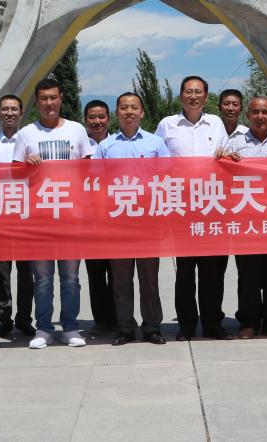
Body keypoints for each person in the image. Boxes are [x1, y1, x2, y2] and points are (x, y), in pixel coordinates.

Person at [13, 79, 95, 349]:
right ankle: (44, 328)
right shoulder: (26, 133)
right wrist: (26, 166)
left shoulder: (76, 129)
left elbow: (88, 170)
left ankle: (70, 327)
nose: (49, 103)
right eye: (44, 98)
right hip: (40, 219)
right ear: (37, 102)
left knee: (70, 278)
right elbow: (14, 174)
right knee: (43, 279)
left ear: (61, 99)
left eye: (53, 98)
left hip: (71, 217)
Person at [156, 75, 231, 341]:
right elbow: (157, 163)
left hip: (212, 206)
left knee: (213, 271)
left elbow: (227, 157)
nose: (193, 96)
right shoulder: (167, 125)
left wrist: (225, 157)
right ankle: (187, 325)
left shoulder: (216, 123)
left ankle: (213, 324)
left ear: (206, 96)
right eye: (188, 92)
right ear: (181, 96)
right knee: (185, 272)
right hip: (182, 208)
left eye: (198, 92)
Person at [94, 92, 170, 346]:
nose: (129, 112)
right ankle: (125, 327)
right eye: (124, 107)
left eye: (134, 107)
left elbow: (168, 178)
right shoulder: (105, 146)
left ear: (142, 112)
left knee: (149, 280)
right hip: (117, 223)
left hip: (148, 222)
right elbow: (95, 183)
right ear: (117, 113)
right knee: (121, 281)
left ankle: (152, 327)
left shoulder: (156, 143)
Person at [218, 96, 267, 338]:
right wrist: (222, 158)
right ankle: (249, 322)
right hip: (246, 221)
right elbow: (220, 173)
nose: (260, 117)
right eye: (255, 112)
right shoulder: (235, 143)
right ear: (248, 115)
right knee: (248, 275)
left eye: (265, 112)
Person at [0, 95, 36, 339]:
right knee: (1, 274)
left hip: (26, 216)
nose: (10, 113)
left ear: (21, 113)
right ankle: (3, 319)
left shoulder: (31, 140)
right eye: (5, 109)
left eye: (14, 109)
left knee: (27, 273)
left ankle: (24, 319)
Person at [82, 99, 117, 335]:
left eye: (101, 117)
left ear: (108, 119)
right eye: (92, 117)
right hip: (89, 219)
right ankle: (101, 320)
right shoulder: (79, 146)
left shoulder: (117, 144)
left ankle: (118, 317)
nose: (97, 121)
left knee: (117, 273)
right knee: (95, 273)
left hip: (116, 217)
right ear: (86, 120)